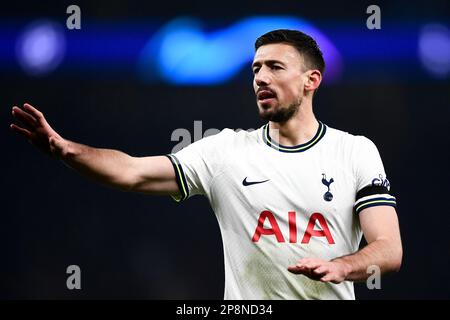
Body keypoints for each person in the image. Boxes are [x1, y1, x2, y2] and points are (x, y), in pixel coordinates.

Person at [10, 29, 402, 300]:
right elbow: (131, 172)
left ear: (311, 80)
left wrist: (342, 267)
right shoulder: (224, 151)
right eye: (255, 69)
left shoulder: (355, 151)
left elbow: (388, 250)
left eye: (275, 67)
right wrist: (66, 150)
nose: (260, 78)